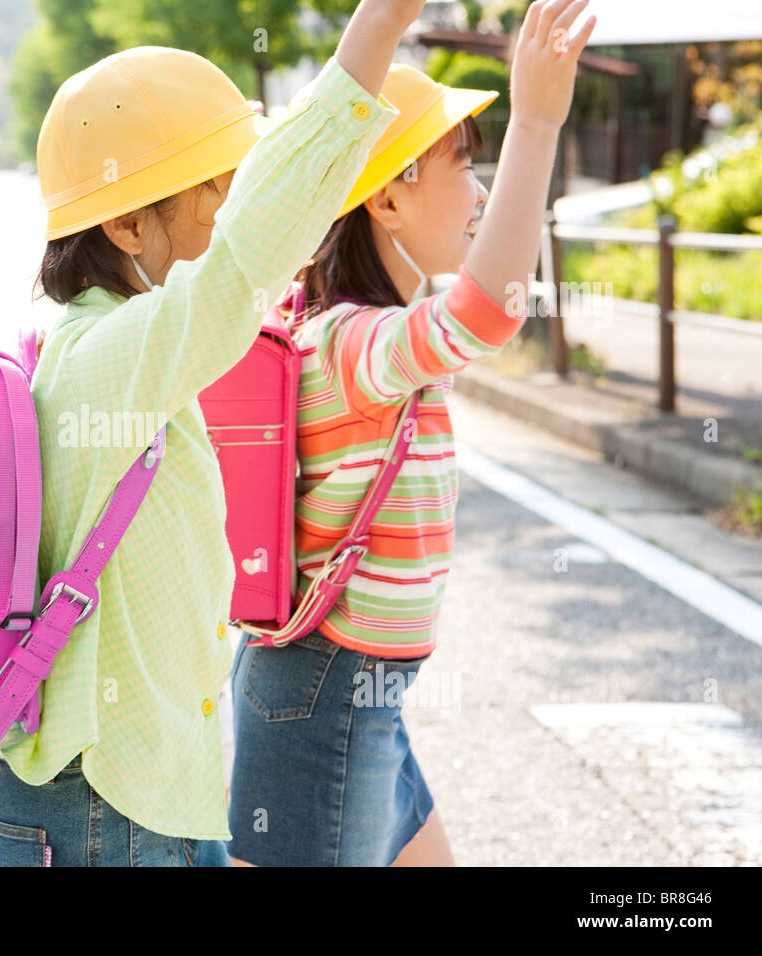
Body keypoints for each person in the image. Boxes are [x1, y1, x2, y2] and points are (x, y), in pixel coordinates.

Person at [0, 0, 431, 867]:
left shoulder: (112, 347)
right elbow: (250, 260)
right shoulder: (110, 355)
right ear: (125, 225)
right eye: (218, 191)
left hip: (129, 799)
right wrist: (374, 30)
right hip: (109, 811)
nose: (239, 210)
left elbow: (257, 247)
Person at [227, 0, 598, 867]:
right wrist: (537, 121)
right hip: (328, 694)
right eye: (463, 165)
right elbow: (489, 311)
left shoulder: (355, 327)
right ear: (389, 196)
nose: (477, 190)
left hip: (352, 692)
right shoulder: (352, 340)